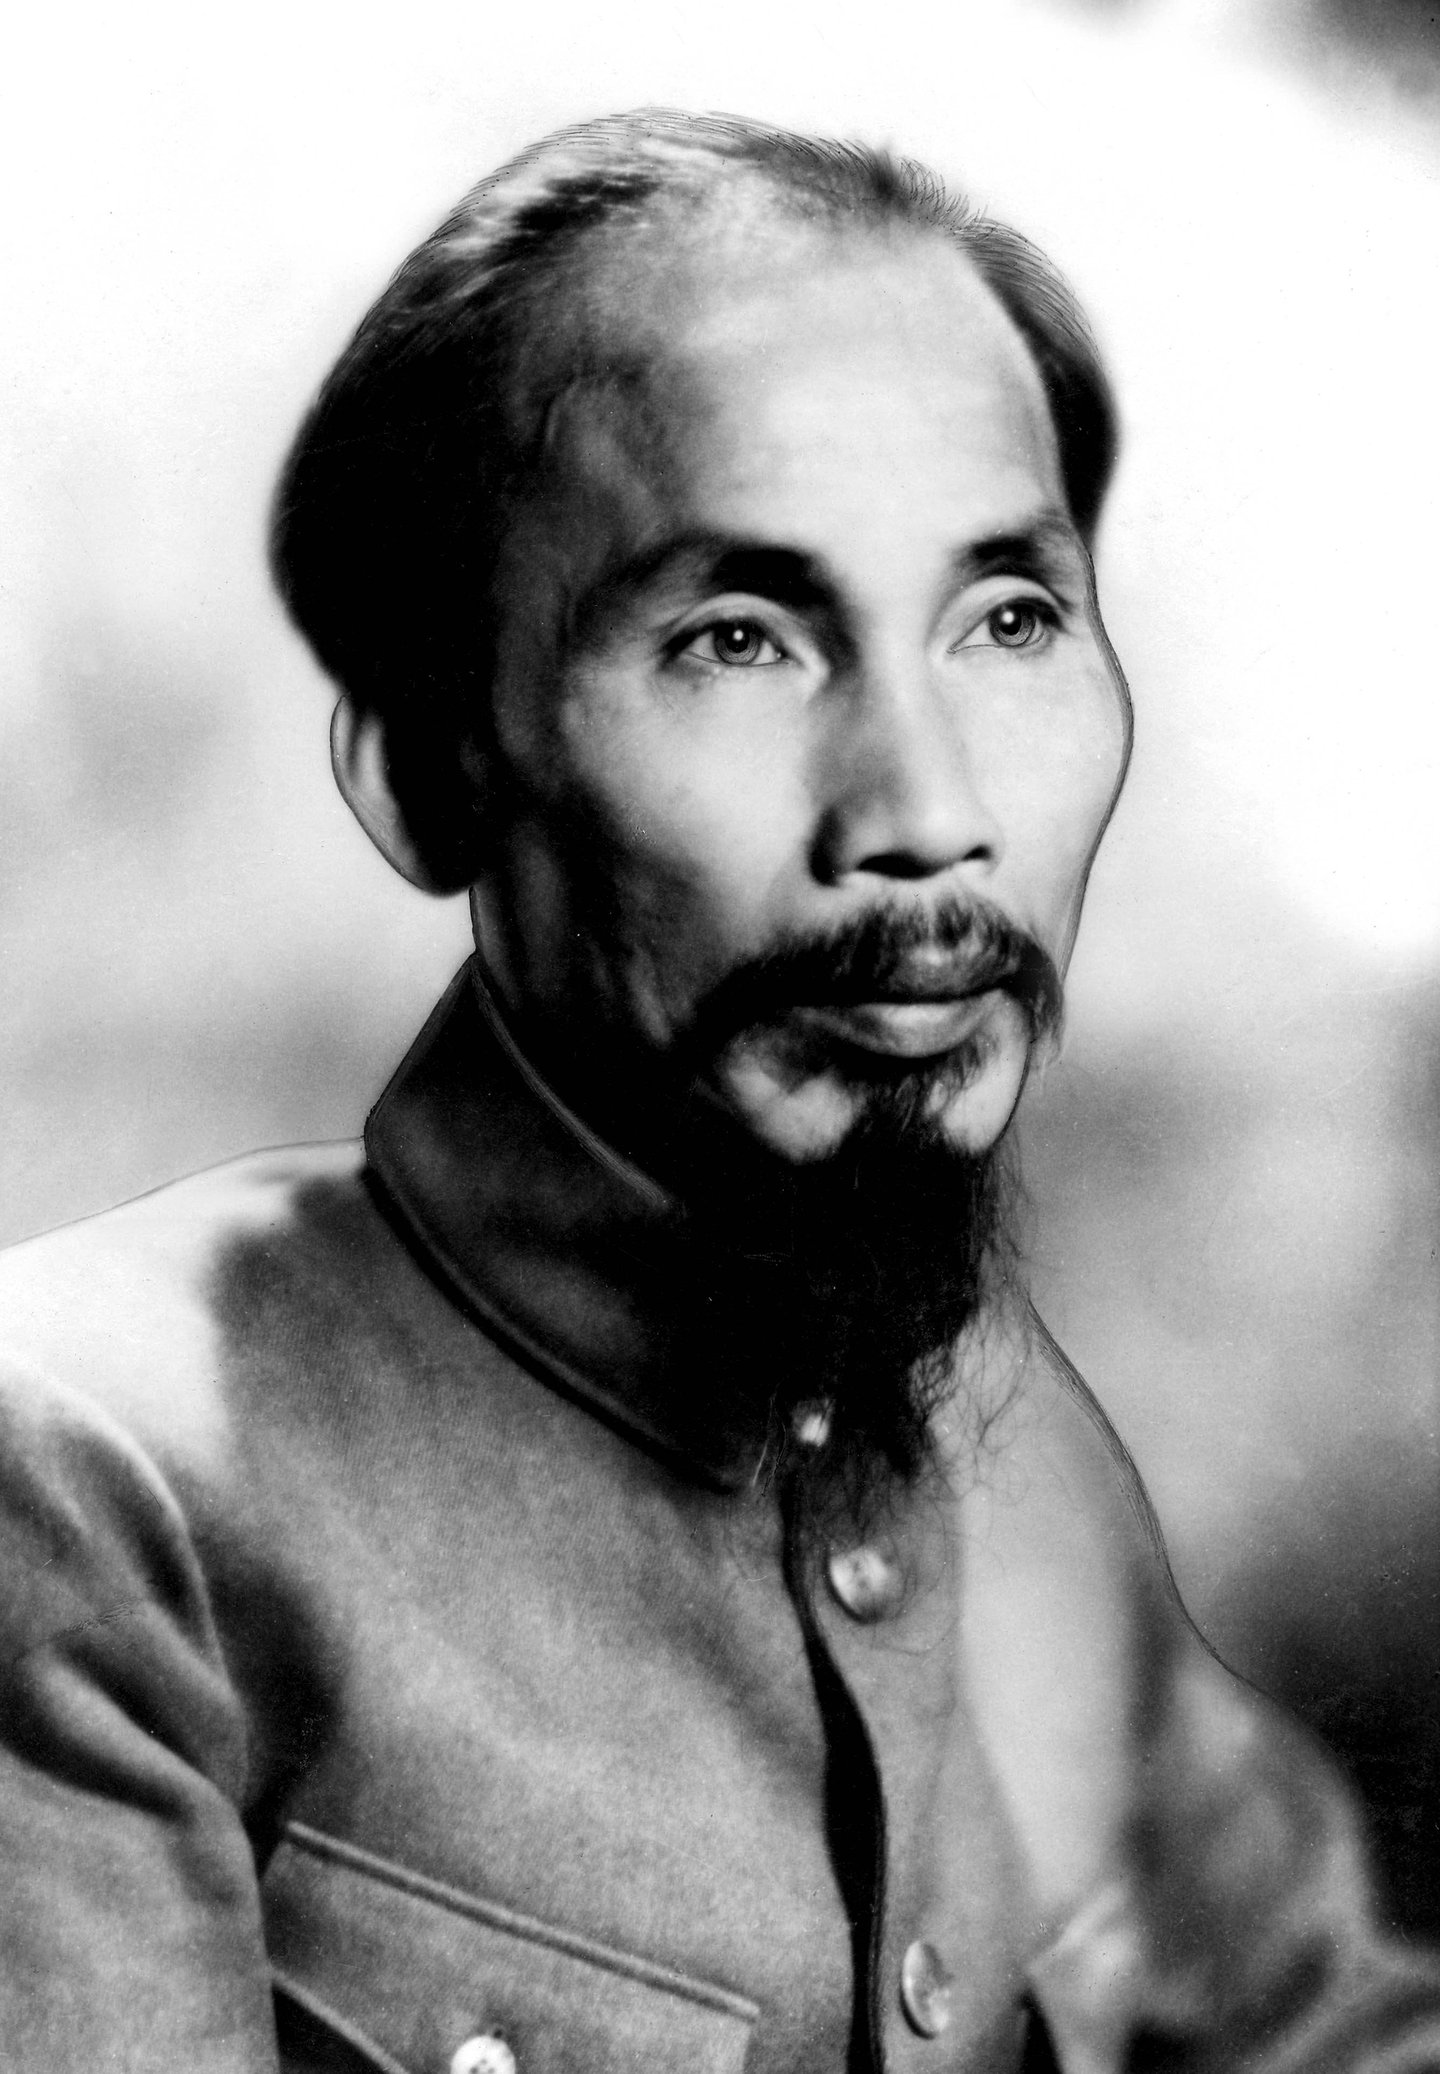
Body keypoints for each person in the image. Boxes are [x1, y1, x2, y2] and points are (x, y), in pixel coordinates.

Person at [0, 109, 1434, 2074]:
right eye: (739, 639)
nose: (928, 815)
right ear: (424, 770)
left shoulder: (1012, 1458)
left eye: (1008, 620)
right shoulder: (90, 1476)